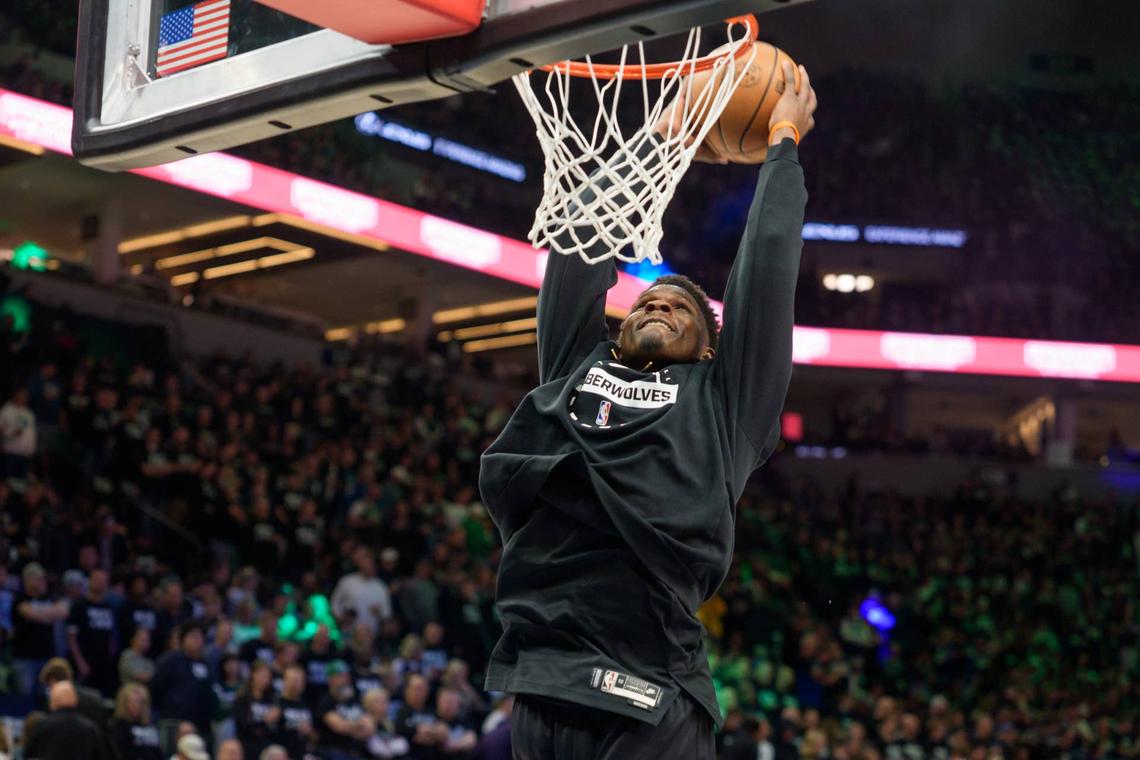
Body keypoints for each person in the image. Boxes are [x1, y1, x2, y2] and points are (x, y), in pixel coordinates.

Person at [478, 62, 817, 758]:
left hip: (649, 690)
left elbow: (768, 275)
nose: (660, 302)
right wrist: (660, 135)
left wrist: (782, 144)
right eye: (646, 302)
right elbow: (580, 247)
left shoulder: (725, 405)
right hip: (544, 684)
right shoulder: (577, 368)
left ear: (705, 351)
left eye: (683, 308)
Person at [150, 621, 217, 739]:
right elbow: (156, 689)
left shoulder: (207, 664)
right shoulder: (170, 661)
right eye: (192, 636)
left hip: (201, 725)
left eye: (200, 636)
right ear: (183, 639)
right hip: (173, 722)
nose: (197, 640)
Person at [11, 563, 68, 700]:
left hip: (47, 656)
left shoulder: (50, 596)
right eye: (39, 579)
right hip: (25, 658)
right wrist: (49, 615)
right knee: (23, 698)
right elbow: (30, 614)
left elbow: (64, 611)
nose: (43, 582)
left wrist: (41, 614)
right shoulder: (19, 598)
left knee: (46, 698)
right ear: (28, 580)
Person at [23, 681, 110, 760]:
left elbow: (29, 755)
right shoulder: (91, 729)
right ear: (75, 701)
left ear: (53, 702)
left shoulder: (42, 726)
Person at [67, 568, 118, 696]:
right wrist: (80, 662)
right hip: (84, 664)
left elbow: (112, 635)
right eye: (97, 580)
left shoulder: (110, 607)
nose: (100, 584)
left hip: (105, 666)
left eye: (103, 581)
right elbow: (71, 637)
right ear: (89, 582)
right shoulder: (79, 606)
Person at [317, 660, 374, 760]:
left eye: (346, 676)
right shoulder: (326, 702)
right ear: (330, 679)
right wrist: (359, 726)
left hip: (357, 752)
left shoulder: (356, 700)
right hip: (334, 751)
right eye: (340, 676)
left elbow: (370, 727)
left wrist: (352, 727)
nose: (345, 679)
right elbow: (339, 727)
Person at [331, 546, 393, 635]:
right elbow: (334, 603)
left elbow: (387, 613)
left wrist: (379, 613)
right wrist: (340, 618)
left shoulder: (381, 587)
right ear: (359, 564)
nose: (368, 565)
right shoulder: (347, 581)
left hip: (371, 635)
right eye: (365, 562)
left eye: (371, 563)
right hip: (347, 633)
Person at [234, 660, 281, 760]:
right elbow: (244, 725)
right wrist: (265, 721)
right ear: (253, 675)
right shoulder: (242, 699)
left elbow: (276, 728)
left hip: (268, 747)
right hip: (248, 746)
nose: (265, 679)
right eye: (262, 675)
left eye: (268, 677)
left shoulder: (272, 700)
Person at [109, 682, 163, 760]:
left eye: (140, 702)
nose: (136, 705)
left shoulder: (150, 726)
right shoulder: (119, 726)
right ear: (124, 703)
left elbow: (158, 752)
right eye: (132, 701)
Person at [277, 664, 317, 760]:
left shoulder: (307, 705)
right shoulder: (276, 703)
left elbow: (314, 736)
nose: (296, 684)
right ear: (284, 681)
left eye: (299, 681)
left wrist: (309, 731)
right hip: (282, 753)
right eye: (293, 680)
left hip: (304, 753)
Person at [362, 687, 411, 759]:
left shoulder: (389, 721)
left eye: (385, 701)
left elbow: (392, 738)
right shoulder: (365, 719)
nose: (384, 704)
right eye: (379, 701)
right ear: (369, 704)